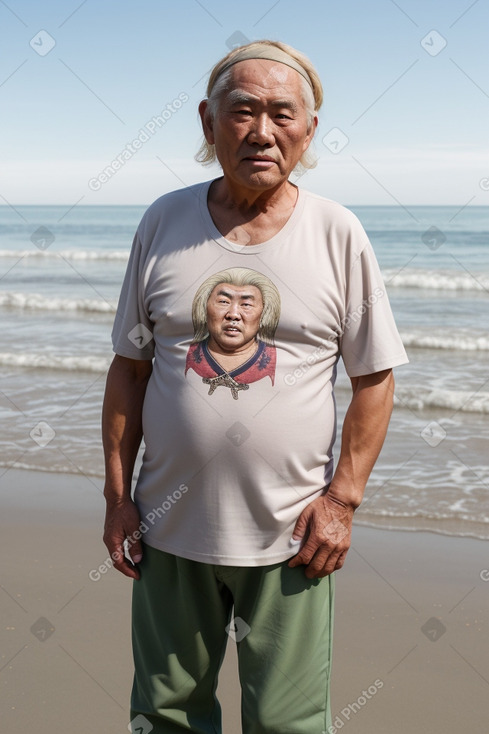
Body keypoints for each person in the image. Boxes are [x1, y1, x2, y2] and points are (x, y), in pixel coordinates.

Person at [102, 39, 408, 734]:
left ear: (308, 129)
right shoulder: (162, 222)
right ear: (209, 125)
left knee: (287, 723)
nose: (261, 130)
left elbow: (373, 378)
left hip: (292, 536)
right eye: (242, 111)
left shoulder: (336, 232)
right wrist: (118, 498)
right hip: (166, 527)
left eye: (281, 113)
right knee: (164, 715)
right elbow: (130, 367)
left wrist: (342, 500)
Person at [185, 267, 281, 398]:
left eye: (246, 304)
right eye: (223, 302)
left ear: (264, 314)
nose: (233, 314)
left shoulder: (275, 357)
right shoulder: (189, 353)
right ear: (204, 309)